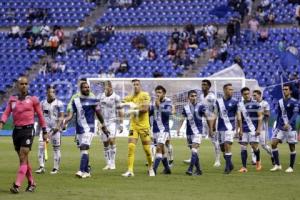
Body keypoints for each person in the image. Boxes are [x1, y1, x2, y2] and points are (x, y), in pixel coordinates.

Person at [0, 77, 48, 193]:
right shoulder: (12, 99)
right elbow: (6, 113)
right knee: (24, 160)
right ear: (18, 85)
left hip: (28, 130)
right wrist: (1, 123)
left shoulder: (33, 99)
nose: (24, 86)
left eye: (26, 84)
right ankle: (31, 183)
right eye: (22, 84)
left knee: (23, 156)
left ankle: (17, 185)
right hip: (16, 131)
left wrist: (45, 131)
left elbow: (41, 116)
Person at [63, 82, 109, 178]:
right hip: (79, 129)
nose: (87, 89)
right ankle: (87, 172)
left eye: (88, 87)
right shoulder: (75, 101)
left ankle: (80, 170)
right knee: (83, 151)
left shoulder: (94, 100)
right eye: (85, 87)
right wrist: (65, 122)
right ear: (81, 89)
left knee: (84, 147)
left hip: (89, 128)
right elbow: (70, 115)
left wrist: (103, 125)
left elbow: (99, 113)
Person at [120, 79, 155, 177]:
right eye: (134, 85)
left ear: (140, 85)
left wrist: (132, 108)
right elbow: (120, 104)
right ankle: (130, 170)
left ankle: (151, 168)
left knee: (147, 150)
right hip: (133, 126)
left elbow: (145, 109)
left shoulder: (145, 95)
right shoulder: (130, 97)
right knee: (131, 147)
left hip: (144, 127)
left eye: (137, 84)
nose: (135, 86)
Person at [177, 90, 211, 176]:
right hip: (189, 132)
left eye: (195, 96)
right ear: (188, 97)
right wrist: (178, 129)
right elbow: (182, 118)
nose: (194, 97)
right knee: (194, 152)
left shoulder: (201, 106)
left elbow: (207, 117)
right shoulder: (186, 107)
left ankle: (190, 169)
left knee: (194, 150)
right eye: (192, 96)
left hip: (198, 132)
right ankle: (199, 170)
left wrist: (210, 129)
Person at [35, 86, 64, 174]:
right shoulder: (42, 103)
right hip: (45, 128)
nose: (52, 94)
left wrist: (57, 127)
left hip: (55, 129)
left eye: (53, 92)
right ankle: (41, 167)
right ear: (47, 93)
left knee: (56, 148)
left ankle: (55, 168)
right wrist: (39, 129)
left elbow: (61, 117)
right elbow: (40, 116)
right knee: (41, 146)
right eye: (50, 92)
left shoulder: (59, 103)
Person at [270, 84, 299, 173]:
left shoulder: (295, 102)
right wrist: (277, 125)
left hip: (291, 128)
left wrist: (289, 124)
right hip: (281, 127)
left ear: (290, 91)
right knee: (273, 143)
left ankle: (291, 167)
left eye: (286, 89)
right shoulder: (280, 102)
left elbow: (295, 114)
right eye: (283, 89)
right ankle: (277, 165)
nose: (284, 91)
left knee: (292, 147)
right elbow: (279, 115)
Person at [97, 81, 124, 170]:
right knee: (105, 143)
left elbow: (120, 110)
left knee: (111, 140)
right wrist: (98, 122)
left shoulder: (116, 97)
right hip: (103, 123)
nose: (107, 88)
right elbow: (98, 111)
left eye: (108, 87)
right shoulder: (100, 97)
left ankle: (113, 163)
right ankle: (108, 163)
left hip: (113, 121)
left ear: (111, 87)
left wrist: (121, 123)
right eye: (105, 87)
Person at [213, 83, 239, 174]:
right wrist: (212, 127)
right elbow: (215, 114)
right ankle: (230, 164)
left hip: (230, 128)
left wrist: (239, 129)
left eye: (232, 89)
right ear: (224, 90)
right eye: (229, 89)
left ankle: (227, 168)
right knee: (222, 148)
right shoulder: (218, 101)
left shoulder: (235, 102)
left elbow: (239, 115)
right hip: (220, 127)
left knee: (227, 145)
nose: (231, 91)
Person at [237, 87, 263, 173]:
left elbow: (260, 117)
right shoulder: (240, 105)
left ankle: (258, 162)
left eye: (248, 93)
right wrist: (240, 129)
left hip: (253, 129)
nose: (247, 95)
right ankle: (244, 167)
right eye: (245, 94)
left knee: (254, 147)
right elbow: (240, 118)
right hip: (244, 129)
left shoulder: (256, 104)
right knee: (243, 147)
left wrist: (258, 129)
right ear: (242, 95)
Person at [150, 85, 173, 175]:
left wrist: (159, 105)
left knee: (159, 148)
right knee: (162, 150)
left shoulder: (168, 102)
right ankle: (167, 169)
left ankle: (153, 170)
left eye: (159, 92)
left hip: (164, 129)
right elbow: (150, 113)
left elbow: (168, 114)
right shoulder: (154, 102)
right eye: (157, 92)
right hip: (155, 130)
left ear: (164, 93)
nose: (157, 94)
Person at [200, 80, 221, 167]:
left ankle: (217, 160)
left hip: (212, 121)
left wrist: (212, 127)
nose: (203, 86)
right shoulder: (201, 96)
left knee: (214, 140)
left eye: (205, 85)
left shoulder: (212, 97)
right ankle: (193, 156)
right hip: (203, 120)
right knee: (197, 138)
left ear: (209, 87)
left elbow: (216, 111)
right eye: (202, 84)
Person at [251, 90, 274, 166]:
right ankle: (255, 160)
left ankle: (273, 154)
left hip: (262, 126)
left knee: (263, 145)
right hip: (253, 126)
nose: (253, 97)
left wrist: (260, 112)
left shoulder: (265, 103)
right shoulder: (252, 103)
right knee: (253, 143)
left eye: (255, 95)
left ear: (259, 95)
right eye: (253, 95)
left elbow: (268, 114)